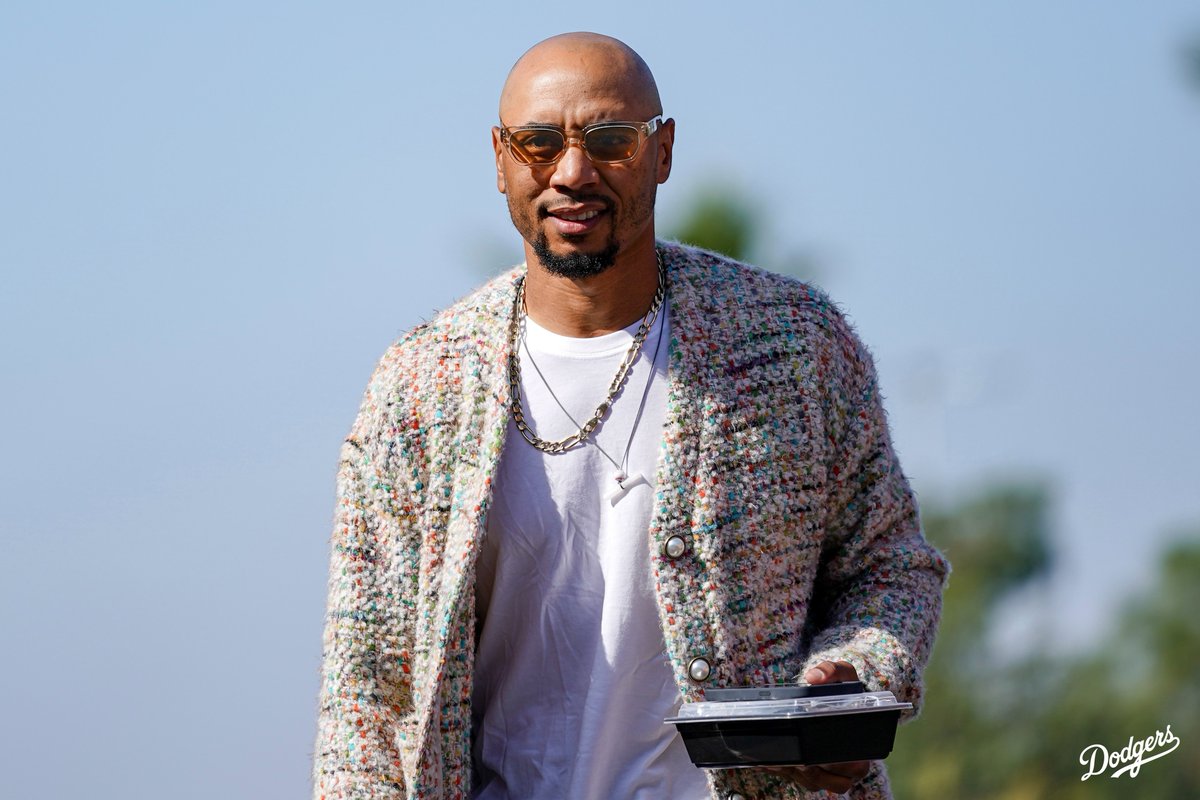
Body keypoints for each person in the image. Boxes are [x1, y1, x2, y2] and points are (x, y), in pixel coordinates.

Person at [312, 32, 948, 800]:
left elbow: (891, 567)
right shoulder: (419, 389)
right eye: (539, 143)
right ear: (501, 159)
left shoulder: (792, 344)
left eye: (611, 141)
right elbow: (366, 685)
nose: (572, 172)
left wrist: (852, 680)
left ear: (662, 151)